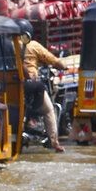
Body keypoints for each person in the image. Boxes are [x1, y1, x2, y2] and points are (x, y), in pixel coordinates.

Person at [18, 19, 67, 152]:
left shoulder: (10, 44)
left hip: (14, 83)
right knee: (48, 110)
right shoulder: (33, 45)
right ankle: (54, 142)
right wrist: (63, 66)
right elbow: (51, 59)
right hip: (32, 83)